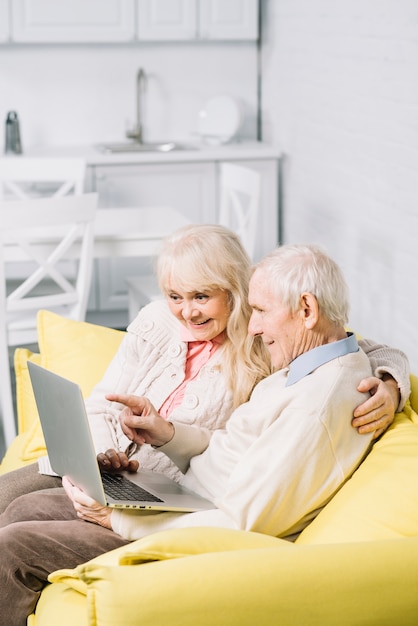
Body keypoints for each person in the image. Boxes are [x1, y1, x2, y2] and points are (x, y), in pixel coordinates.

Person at [0, 241, 410, 626]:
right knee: (20, 507)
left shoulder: (311, 390)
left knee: (13, 545)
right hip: (172, 492)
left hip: (192, 528)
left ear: (305, 309)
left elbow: (240, 522)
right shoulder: (308, 360)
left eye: (260, 311)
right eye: (176, 296)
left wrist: (117, 520)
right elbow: (229, 448)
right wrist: (166, 434)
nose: (254, 326)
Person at [0, 224, 407, 513]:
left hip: (160, 488)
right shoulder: (155, 321)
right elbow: (101, 404)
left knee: (19, 522)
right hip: (94, 463)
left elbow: (360, 345)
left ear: (235, 290)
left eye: (201, 296)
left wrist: (391, 382)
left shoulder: (264, 341)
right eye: (175, 295)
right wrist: (102, 455)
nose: (187, 311)